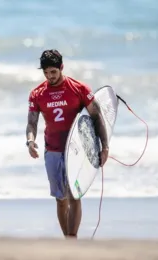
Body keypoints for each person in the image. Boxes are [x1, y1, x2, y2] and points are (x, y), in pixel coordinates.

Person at [25, 49, 109, 239]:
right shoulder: (37, 94)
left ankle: (72, 238)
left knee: (74, 196)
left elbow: (96, 117)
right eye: (46, 73)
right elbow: (31, 122)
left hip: (76, 151)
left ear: (61, 68)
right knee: (60, 199)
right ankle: (67, 240)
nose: (50, 76)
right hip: (52, 150)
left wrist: (104, 147)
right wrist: (30, 141)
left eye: (53, 72)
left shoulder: (79, 89)